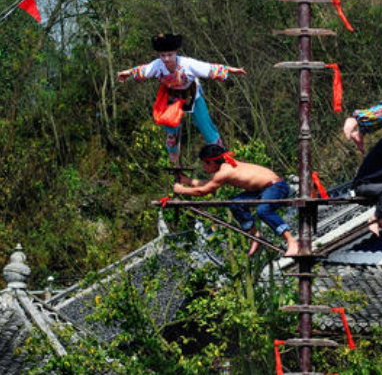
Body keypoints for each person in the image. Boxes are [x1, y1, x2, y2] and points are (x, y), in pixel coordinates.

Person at [117, 33, 246, 164]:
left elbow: (210, 68)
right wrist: (126, 73)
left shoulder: (188, 64)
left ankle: (220, 153)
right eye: (163, 55)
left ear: (176, 52)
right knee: (170, 125)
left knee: (205, 125)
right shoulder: (157, 65)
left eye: (170, 55)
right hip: (172, 97)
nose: (166, 59)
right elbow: (142, 70)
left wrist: (232, 70)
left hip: (192, 96)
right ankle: (173, 152)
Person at [173, 143, 299, 257]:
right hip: (261, 190)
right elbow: (209, 183)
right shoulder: (226, 166)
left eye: (203, 163)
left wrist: (182, 190)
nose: (203, 167)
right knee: (235, 203)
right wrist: (187, 181)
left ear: (210, 162)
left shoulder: (224, 172)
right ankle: (255, 234)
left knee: (263, 210)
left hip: (276, 187)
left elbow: (203, 191)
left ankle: (291, 241)